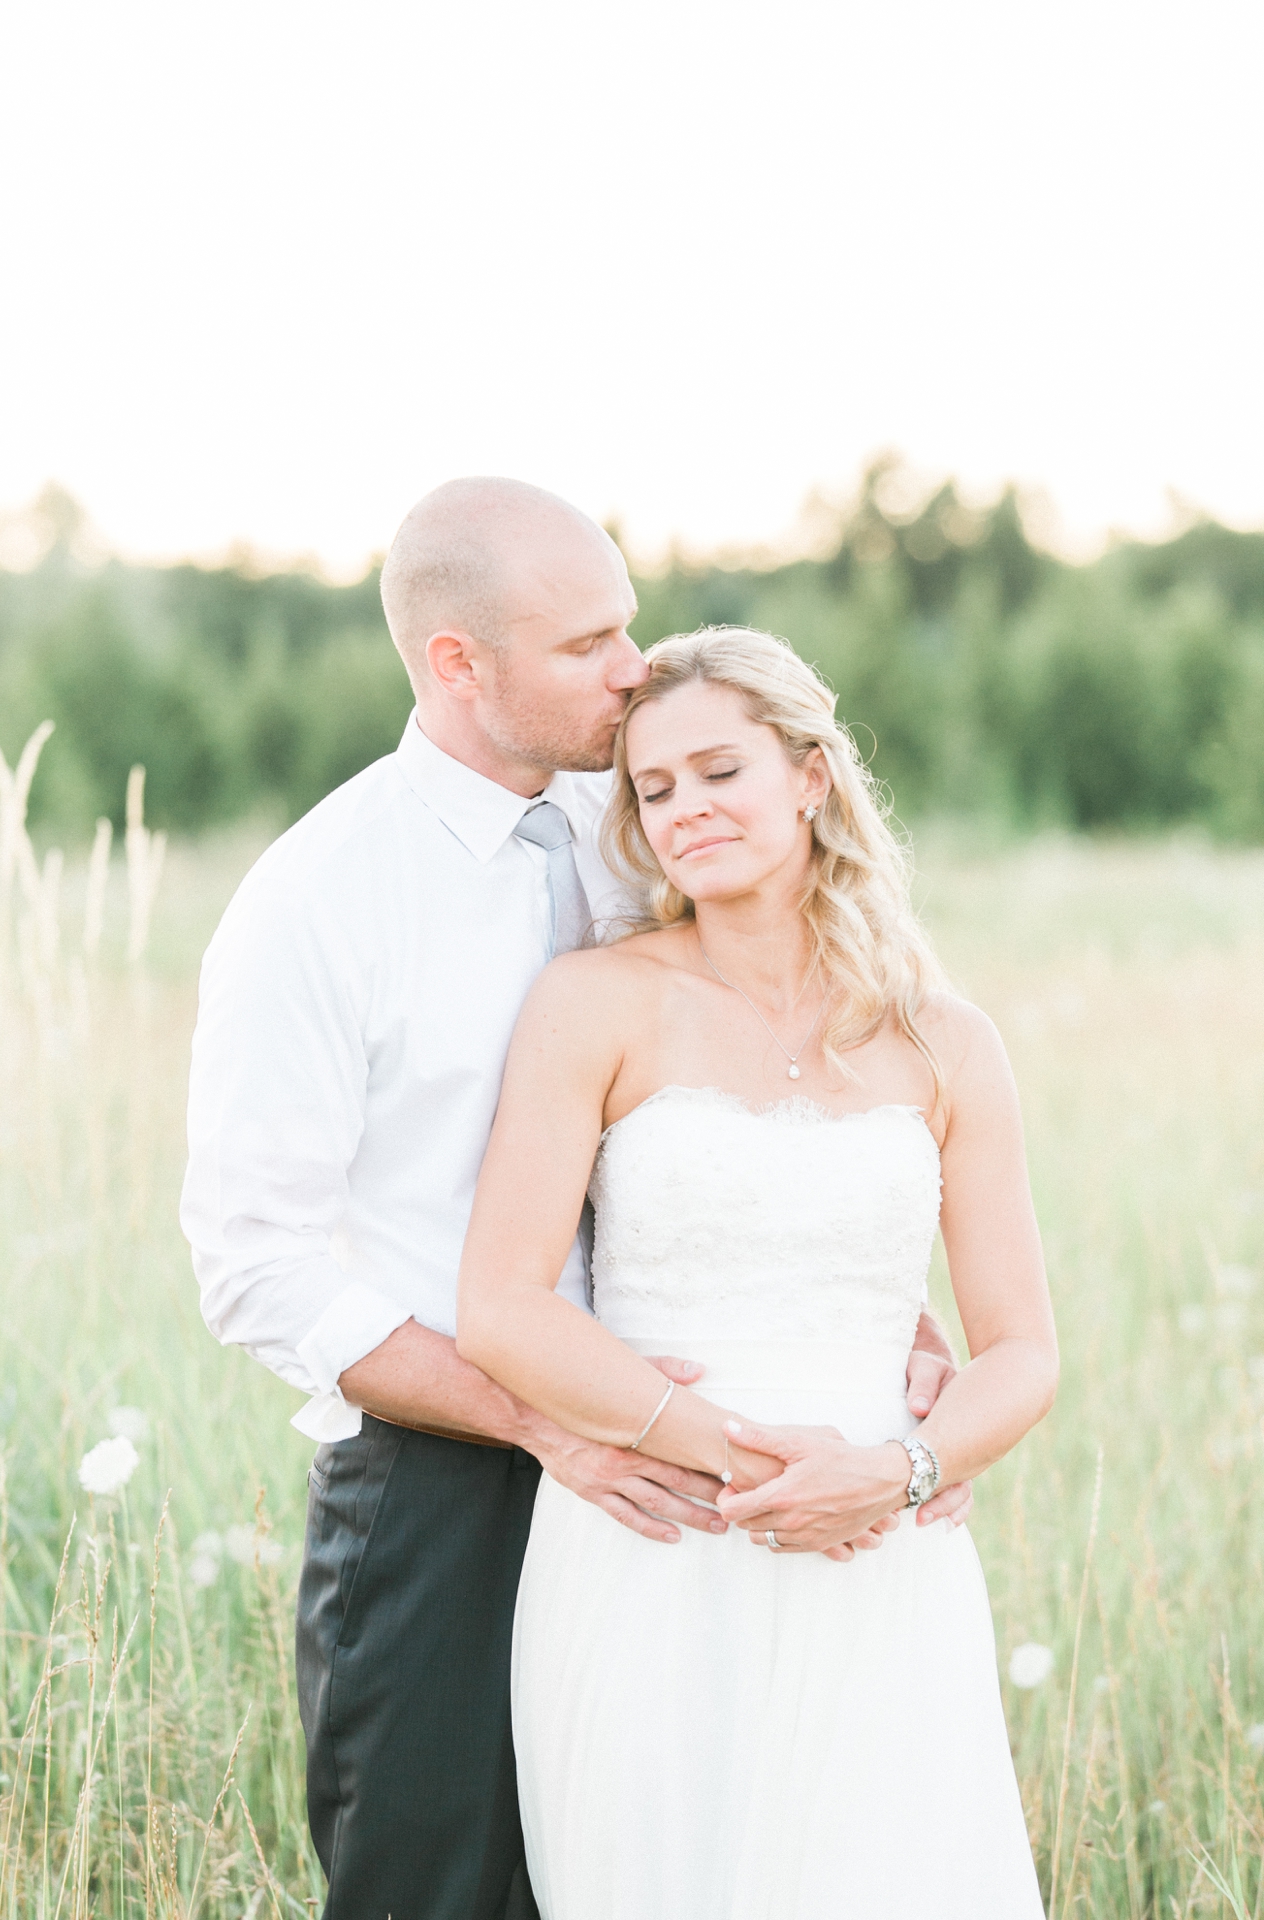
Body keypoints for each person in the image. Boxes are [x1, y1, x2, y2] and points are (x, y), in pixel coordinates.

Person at [181, 482, 970, 1920]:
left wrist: (870, 1313)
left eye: (631, 623)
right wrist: (548, 1419)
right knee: (445, 1886)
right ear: (459, 666)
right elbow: (255, 1266)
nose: (634, 667)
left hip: (728, 1481)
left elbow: (749, 1078)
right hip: (450, 1484)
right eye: (586, 642)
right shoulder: (318, 901)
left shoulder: (651, 812)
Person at [456, 625, 1058, 1919]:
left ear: (811, 775)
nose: (684, 810)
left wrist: (898, 1472)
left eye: (718, 770)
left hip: (878, 1559)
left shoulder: (944, 1041)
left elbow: (1021, 1349)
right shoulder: (595, 1002)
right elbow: (498, 1307)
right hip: (655, 1542)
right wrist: (734, 1456)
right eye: (654, 789)